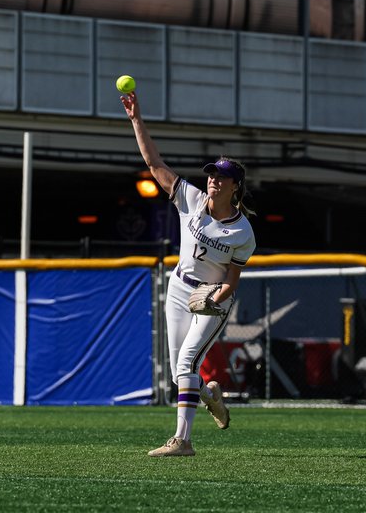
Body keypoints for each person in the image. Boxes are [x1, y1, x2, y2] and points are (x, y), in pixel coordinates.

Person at [121, 89, 256, 457]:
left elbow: (231, 281)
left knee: (186, 362)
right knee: (181, 374)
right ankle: (210, 394)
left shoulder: (242, 232)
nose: (213, 179)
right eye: (211, 174)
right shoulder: (191, 199)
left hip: (212, 299)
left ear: (235, 186)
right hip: (179, 289)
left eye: (221, 177)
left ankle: (182, 441)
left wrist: (213, 298)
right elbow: (154, 164)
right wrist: (136, 118)